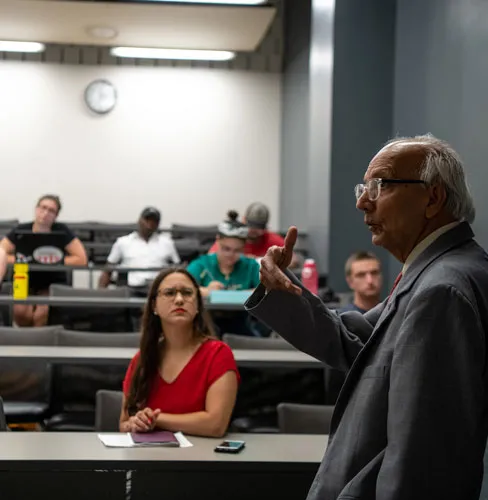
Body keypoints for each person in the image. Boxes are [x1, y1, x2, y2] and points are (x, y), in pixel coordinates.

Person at [245, 134, 488, 499]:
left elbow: (420, 460)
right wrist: (282, 292)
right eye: (364, 187)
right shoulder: (435, 272)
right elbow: (354, 340)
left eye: (379, 186)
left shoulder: (442, 289)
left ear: (433, 198)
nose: (362, 202)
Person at [120, 267, 239, 437]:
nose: (179, 300)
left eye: (187, 293)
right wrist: (134, 423)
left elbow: (215, 425)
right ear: (154, 305)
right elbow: (123, 424)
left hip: (199, 459)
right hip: (147, 458)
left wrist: (156, 419)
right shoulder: (141, 360)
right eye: (169, 293)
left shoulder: (218, 354)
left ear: (197, 304)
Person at [0, 195, 87, 327]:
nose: (45, 213)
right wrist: (23, 259)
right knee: (21, 312)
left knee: (42, 314)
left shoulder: (62, 231)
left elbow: (81, 259)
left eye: (51, 211)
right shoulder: (21, 230)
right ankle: (26, 341)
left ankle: (38, 342)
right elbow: (2, 252)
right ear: (36, 209)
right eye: (43, 208)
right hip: (23, 279)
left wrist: (52, 261)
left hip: (52, 280)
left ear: (56, 216)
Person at [98, 207, 180, 293]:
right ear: (139, 220)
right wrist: (100, 294)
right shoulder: (123, 242)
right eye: (147, 219)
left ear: (158, 224)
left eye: (154, 221)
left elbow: (177, 268)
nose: (150, 223)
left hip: (158, 289)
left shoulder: (167, 243)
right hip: (129, 288)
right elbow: (107, 270)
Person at [188, 211, 260, 298]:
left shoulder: (251, 266)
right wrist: (206, 291)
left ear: (244, 247)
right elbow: (184, 288)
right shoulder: (201, 265)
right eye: (226, 249)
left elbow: (266, 291)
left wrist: (240, 295)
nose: (230, 255)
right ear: (217, 241)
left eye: (237, 251)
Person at [208, 202, 299, 267]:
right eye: (251, 226)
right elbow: (211, 256)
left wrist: (265, 262)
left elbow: (292, 260)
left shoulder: (271, 239)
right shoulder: (233, 237)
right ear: (244, 220)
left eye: (259, 227)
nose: (254, 231)